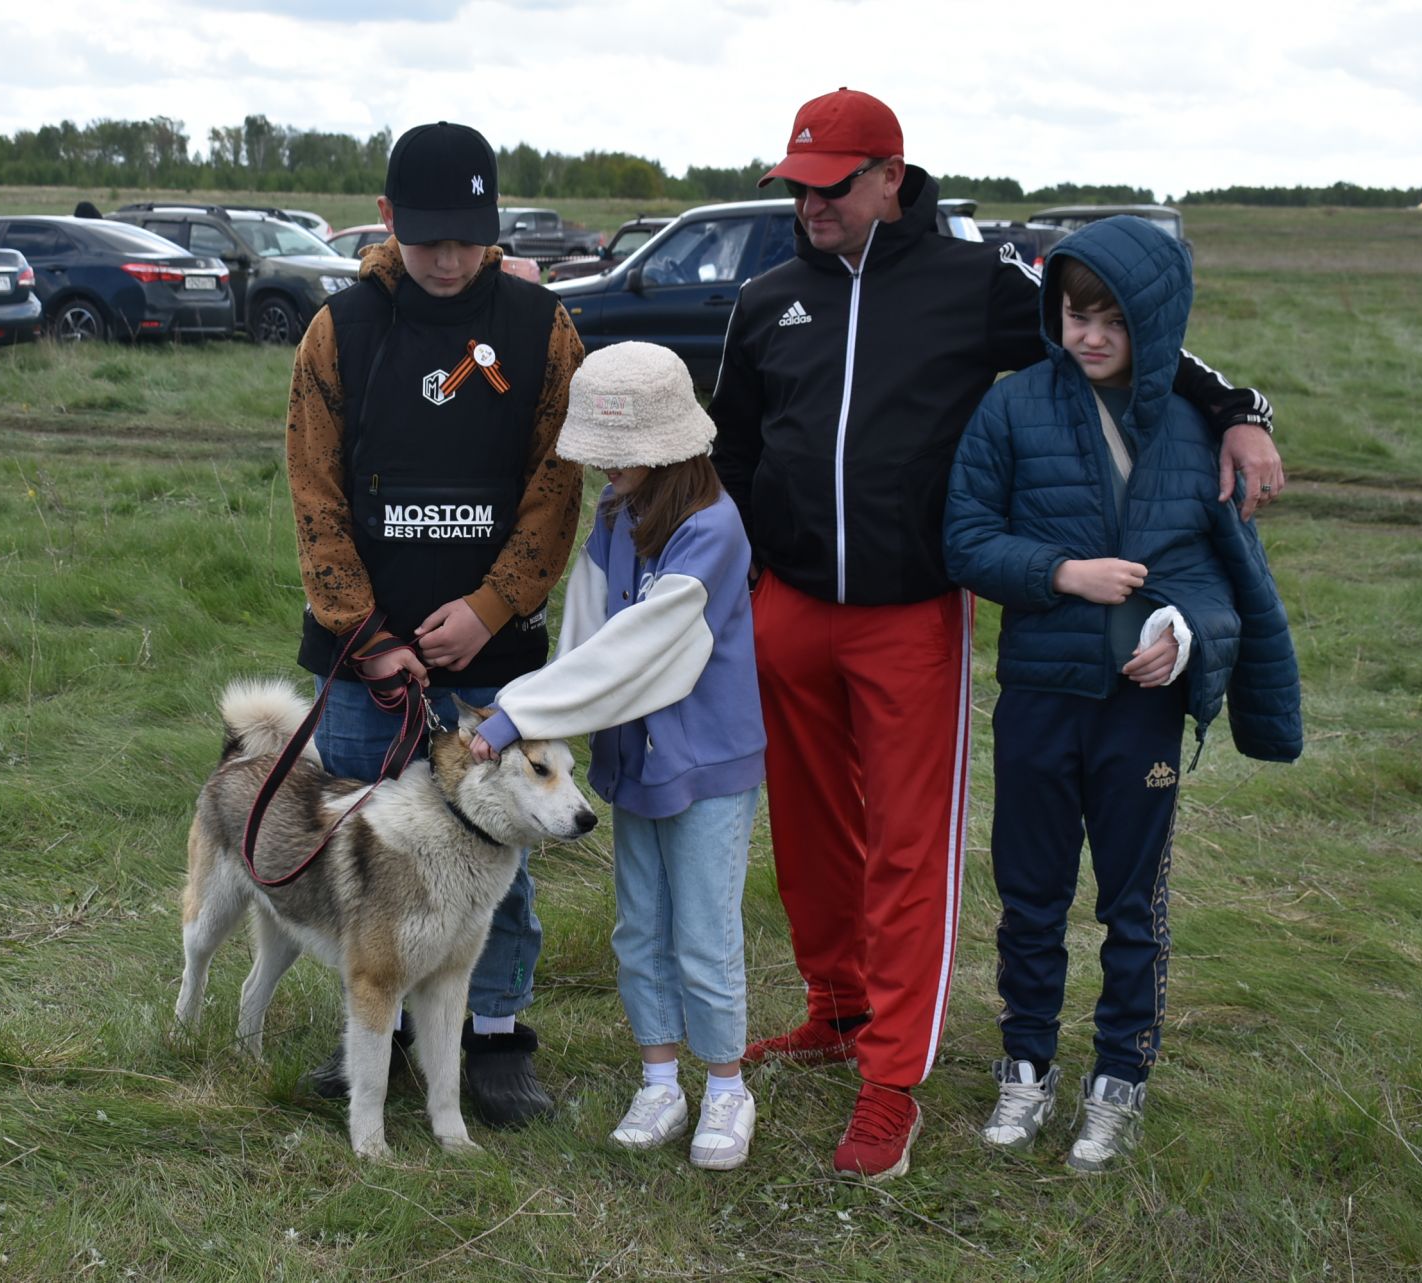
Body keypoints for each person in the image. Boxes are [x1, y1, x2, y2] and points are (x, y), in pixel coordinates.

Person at [708, 87, 1288, 1180]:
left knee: (909, 842)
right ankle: (835, 1006)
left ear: (890, 177)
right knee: (811, 827)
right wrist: (757, 563)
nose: (811, 204)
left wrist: (1240, 407)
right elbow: (735, 444)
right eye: (798, 184)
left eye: (833, 186)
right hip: (788, 605)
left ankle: (892, 1079)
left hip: (912, 609)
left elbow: (1116, 333)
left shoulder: (977, 286)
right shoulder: (768, 295)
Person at [943, 216, 1302, 1171]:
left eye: (1110, 317)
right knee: (1029, 895)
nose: (1090, 334)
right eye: (1073, 313)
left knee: (1132, 903)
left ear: (1152, 321)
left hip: (1141, 711)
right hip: (1040, 696)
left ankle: (1118, 1080)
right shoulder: (1012, 410)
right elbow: (965, 539)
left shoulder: (1196, 433)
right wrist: (1064, 572)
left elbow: (1222, 579)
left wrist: (1182, 632)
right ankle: (1025, 1068)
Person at [283, 120, 585, 1127]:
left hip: (492, 662)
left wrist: (493, 604)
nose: (449, 258)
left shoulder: (543, 328)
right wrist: (365, 632)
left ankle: (491, 1033)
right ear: (385, 221)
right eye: (428, 239)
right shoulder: (339, 331)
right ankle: (375, 1026)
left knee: (494, 857)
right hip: (365, 658)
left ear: (491, 227)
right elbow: (314, 490)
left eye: (467, 237)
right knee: (368, 845)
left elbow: (555, 486)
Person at [468, 342, 769, 1169]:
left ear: (663, 451)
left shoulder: (714, 530)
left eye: (617, 460)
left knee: (703, 932)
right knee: (640, 927)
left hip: (706, 766)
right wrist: (545, 734)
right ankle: (661, 1079)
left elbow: (636, 649)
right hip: (635, 761)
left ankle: (727, 1087)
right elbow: (586, 633)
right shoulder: (614, 516)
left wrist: (513, 713)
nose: (604, 473)